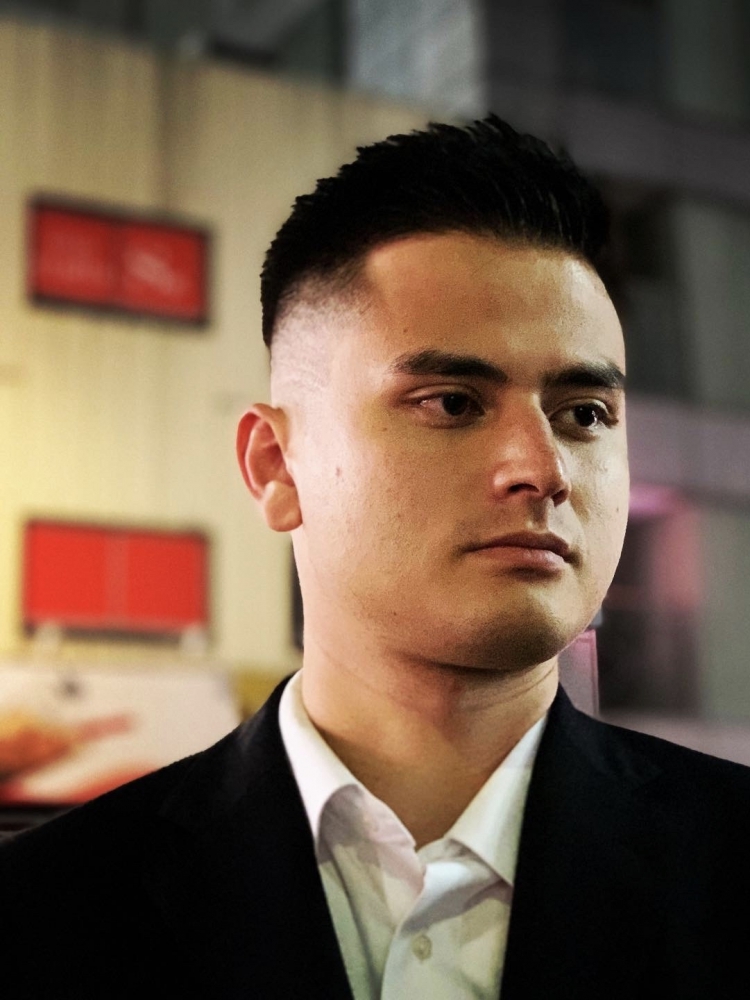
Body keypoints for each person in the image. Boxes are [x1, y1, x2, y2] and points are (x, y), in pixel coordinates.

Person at [2, 115, 749, 1000]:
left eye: (583, 414)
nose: (543, 468)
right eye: (452, 402)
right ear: (277, 468)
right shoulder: (45, 917)